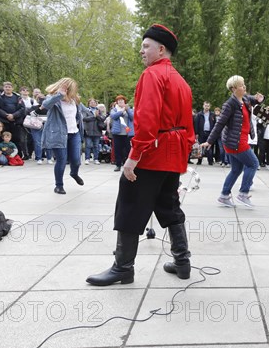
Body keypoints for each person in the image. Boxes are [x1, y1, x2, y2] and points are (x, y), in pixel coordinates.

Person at [86, 23, 195, 285]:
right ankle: (182, 262)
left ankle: (123, 267)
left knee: (131, 202)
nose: (141, 50)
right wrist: (183, 150)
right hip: (173, 151)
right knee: (168, 203)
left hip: (155, 150)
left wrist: (133, 157)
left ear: (161, 49)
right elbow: (189, 127)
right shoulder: (181, 81)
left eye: (146, 46)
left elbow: (147, 121)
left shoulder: (152, 75)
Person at [201, 75, 264, 208]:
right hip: (235, 142)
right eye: (241, 85)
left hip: (236, 141)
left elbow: (253, 99)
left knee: (236, 169)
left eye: (244, 84)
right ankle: (243, 193)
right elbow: (220, 124)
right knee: (253, 163)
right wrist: (209, 141)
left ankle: (224, 196)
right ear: (234, 89)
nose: (244, 87)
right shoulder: (229, 104)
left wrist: (259, 99)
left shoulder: (245, 99)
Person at [41, 77, 85, 195]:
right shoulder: (54, 98)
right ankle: (59, 186)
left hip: (74, 133)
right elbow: (45, 105)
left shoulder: (74, 99)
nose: (68, 90)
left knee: (76, 160)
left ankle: (74, 173)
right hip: (59, 134)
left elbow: (82, 112)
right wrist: (59, 95)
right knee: (61, 160)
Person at [110, 95, 134, 171]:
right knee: (118, 150)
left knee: (128, 150)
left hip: (128, 134)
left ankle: (127, 165)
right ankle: (118, 165)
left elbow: (132, 117)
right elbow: (113, 116)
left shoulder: (129, 109)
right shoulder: (114, 109)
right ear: (116, 102)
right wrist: (121, 111)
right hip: (117, 133)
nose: (120, 102)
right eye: (119, 101)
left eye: (122, 100)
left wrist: (127, 110)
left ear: (125, 102)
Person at [83, 98, 105, 165]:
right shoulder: (86, 110)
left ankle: (96, 159)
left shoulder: (99, 111)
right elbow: (84, 118)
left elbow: (103, 118)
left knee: (96, 146)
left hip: (97, 131)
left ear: (96, 103)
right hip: (88, 131)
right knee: (88, 145)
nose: (93, 103)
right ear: (89, 103)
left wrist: (97, 116)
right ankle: (87, 159)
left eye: (94, 102)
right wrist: (94, 117)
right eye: (91, 102)